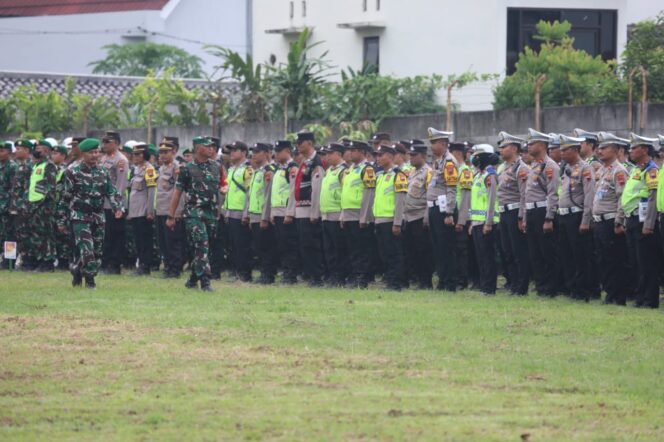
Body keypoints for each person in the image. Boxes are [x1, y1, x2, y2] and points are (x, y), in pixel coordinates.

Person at [57, 138, 124, 289]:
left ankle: (77, 269)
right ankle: (90, 281)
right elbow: (65, 197)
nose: (95, 155)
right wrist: (61, 220)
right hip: (80, 216)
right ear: (83, 154)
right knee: (87, 249)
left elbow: (111, 192)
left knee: (97, 251)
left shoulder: (103, 172)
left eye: (97, 152)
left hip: (98, 217)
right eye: (91, 152)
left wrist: (117, 207)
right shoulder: (72, 172)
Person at [167, 136, 220, 291]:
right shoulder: (186, 169)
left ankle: (192, 279)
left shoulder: (217, 167)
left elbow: (221, 187)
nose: (211, 149)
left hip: (211, 213)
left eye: (212, 146)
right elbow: (177, 193)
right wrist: (171, 216)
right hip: (194, 213)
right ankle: (205, 281)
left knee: (204, 248)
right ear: (197, 148)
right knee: (201, 244)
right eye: (207, 146)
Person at [622, 133, 661, 308]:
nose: (630, 151)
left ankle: (649, 299)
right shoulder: (637, 169)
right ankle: (640, 296)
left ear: (645, 149)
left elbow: (653, 198)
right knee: (635, 261)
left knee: (647, 262)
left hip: (643, 220)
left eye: (634, 148)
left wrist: (649, 224)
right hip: (632, 218)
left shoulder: (651, 170)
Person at [557, 135, 596, 301]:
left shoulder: (585, 168)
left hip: (577, 216)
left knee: (580, 256)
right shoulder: (566, 168)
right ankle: (572, 288)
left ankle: (582, 291)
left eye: (565, 150)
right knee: (566, 255)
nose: (561, 153)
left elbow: (589, 196)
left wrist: (586, 220)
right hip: (564, 216)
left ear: (574, 150)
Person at [523, 128, 560, 297]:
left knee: (546, 252)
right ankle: (540, 286)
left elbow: (553, 193)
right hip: (531, 212)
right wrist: (524, 216)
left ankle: (550, 288)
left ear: (542, 145)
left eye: (532, 144)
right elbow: (527, 193)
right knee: (534, 253)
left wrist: (549, 217)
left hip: (542, 212)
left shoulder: (550, 166)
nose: (528, 147)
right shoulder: (534, 165)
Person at [593, 132, 629, 305]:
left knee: (615, 260)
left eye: (604, 148)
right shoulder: (601, 170)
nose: (600, 151)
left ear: (616, 150)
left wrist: (619, 221)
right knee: (603, 260)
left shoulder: (619, 171)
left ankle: (617, 296)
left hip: (610, 221)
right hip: (599, 221)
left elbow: (622, 198)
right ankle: (609, 293)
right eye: (599, 148)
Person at [286, 131, 325, 287]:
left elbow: (317, 189)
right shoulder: (304, 162)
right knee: (304, 245)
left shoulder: (316, 162)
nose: (298, 146)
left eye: (300, 143)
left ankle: (317, 277)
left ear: (309, 143)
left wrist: (315, 213)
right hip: (301, 209)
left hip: (310, 210)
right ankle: (310, 275)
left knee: (313, 245)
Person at [496, 131, 529, 295]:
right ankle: (514, 284)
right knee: (507, 252)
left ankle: (521, 287)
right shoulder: (505, 168)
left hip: (515, 212)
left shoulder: (521, 168)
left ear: (514, 148)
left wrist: (522, 217)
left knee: (518, 252)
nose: (501, 150)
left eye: (504, 146)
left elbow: (524, 194)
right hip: (504, 212)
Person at [425, 127, 458, 291]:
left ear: (444, 143)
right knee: (438, 248)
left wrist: (449, 212)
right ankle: (443, 280)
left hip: (443, 210)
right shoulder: (438, 161)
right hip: (434, 208)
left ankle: (450, 282)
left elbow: (451, 188)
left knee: (446, 248)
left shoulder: (449, 162)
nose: (431, 146)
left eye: (434, 142)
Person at [340, 140, 376, 289]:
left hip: (359, 215)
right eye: (350, 150)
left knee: (362, 249)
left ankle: (363, 278)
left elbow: (369, 194)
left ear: (362, 152)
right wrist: (342, 214)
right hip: (348, 214)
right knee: (352, 248)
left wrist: (364, 216)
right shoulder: (350, 170)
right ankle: (355, 275)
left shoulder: (367, 170)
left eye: (353, 150)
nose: (350, 153)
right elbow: (345, 193)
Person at [372, 144, 408, 291]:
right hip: (380, 219)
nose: (378, 158)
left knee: (394, 253)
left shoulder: (398, 175)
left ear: (391, 156)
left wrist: (397, 222)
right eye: (377, 155)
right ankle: (389, 280)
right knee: (384, 253)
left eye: (382, 155)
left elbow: (400, 201)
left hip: (391, 220)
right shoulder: (380, 175)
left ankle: (396, 283)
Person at [263, 140, 299, 284]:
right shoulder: (278, 169)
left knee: (289, 246)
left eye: (279, 151)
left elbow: (292, 192)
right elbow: (273, 193)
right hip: (277, 212)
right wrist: (271, 212)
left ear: (288, 151)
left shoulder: (292, 168)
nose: (276, 154)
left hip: (286, 213)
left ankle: (291, 275)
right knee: (281, 245)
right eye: (275, 151)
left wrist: (289, 213)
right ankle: (285, 273)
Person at [469, 144, 500, 295]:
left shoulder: (490, 175)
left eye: (477, 156)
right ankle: (483, 285)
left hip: (487, 223)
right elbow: (474, 201)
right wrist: (471, 221)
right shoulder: (477, 175)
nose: (475, 158)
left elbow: (491, 199)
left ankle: (489, 288)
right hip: (476, 222)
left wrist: (488, 222)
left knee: (487, 257)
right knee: (480, 256)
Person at [244, 142, 278, 284]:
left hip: (262, 215)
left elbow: (269, 195)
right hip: (254, 214)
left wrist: (265, 217)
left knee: (266, 247)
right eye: (253, 152)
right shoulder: (256, 171)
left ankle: (268, 275)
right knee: (258, 247)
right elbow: (251, 194)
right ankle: (264, 273)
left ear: (265, 153)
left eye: (257, 152)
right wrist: (248, 214)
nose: (254, 155)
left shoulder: (268, 170)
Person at [403, 143, 434, 289]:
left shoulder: (428, 172)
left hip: (420, 216)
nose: (410, 158)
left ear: (422, 156)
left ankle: (425, 281)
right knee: (412, 251)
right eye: (409, 155)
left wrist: (427, 216)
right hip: (408, 216)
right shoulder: (411, 171)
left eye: (413, 155)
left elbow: (430, 196)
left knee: (423, 252)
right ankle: (416, 279)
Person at [319, 143, 348, 287]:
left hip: (337, 215)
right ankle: (332, 275)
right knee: (329, 249)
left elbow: (345, 193)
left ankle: (340, 277)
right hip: (326, 214)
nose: (327, 156)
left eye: (330, 153)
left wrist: (343, 213)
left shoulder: (344, 171)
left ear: (339, 154)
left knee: (338, 249)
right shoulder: (329, 170)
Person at [26, 139, 58, 272]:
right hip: (34, 205)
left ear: (46, 151)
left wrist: (43, 205)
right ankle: (40, 260)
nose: (36, 151)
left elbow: (50, 188)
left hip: (44, 206)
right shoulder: (35, 166)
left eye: (39, 148)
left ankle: (48, 262)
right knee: (36, 234)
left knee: (45, 235)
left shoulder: (49, 166)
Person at [100, 131, 129, 274]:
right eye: (103, 142)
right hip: (103, 202)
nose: (104, 145)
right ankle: (105, 262)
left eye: (107, 142)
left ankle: (114, 264)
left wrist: (117, 205)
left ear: (116, 143)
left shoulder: (121, 160)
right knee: (106, 234)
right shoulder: (103, 158)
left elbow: (121, 185)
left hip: (114, 204)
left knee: (115, 234)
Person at [224, 141, 253, 282]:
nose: (231, 153)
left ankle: (245, 274)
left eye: (235, 150)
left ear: (243, 152)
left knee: (242, 245)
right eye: (230, 151)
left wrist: (246, 213)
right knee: (233, 245)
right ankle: (236, 272)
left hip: (241, 212)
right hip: (230, 212)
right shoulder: (231, 169)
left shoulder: (248, 169)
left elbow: (249, 192)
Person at [155, 138, 184, 278]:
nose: (163, 155)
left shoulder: (177, 168)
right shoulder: (162, 168)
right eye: (161, 152)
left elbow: (179, 192)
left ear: (173, 152)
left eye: (166, 152)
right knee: (163, 241)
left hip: (171, 211)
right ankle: (167, 266)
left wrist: (176, 213)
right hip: (160, 209)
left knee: (173, 241)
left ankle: (175, 269)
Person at [126, 142, 157, 275]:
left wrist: (150, 211)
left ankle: (145, 266)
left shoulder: (149, 169)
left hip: (143, 211)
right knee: (138, 240)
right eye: (134, 154)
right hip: (135, 210)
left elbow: (151, 191)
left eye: (138, 154)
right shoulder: (135, 169)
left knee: (145, 240)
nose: (136, 157)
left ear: (145, 155)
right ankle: (141, 264)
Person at [450, 142, 472, 290]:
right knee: (454, 249)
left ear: (457, 154)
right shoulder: (455, 170)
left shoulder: (464, 171)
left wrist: (461, 220)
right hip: (454, 212)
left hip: (461, 214)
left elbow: (465, 198)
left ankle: (462, 280)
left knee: (461, 249)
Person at [11, 139, 33, 269]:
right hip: (15, 206)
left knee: (26, 235)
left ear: (27, 151)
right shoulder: (18, 165)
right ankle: (14, 260)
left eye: (19, 149)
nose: (16, 151)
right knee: (16, 234)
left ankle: (26, 260)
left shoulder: (30, 166)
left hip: (25, 207)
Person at [52, 144, 71, 270]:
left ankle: (64, 261)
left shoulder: (66, 171)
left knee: (63, 233)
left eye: (56, 153)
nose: (53, 155)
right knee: (55, 233)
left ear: (63, 156)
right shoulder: (52, 169)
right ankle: (59, 258)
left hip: (62, 205)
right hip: (53, 205)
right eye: (52, 153)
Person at [0, 141, 17, 269]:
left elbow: (14, 189)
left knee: (9, 235)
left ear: (9, 152)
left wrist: (10, 206)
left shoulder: (12, 167)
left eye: (2, 151)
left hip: (8, 207)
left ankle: (9, 260)